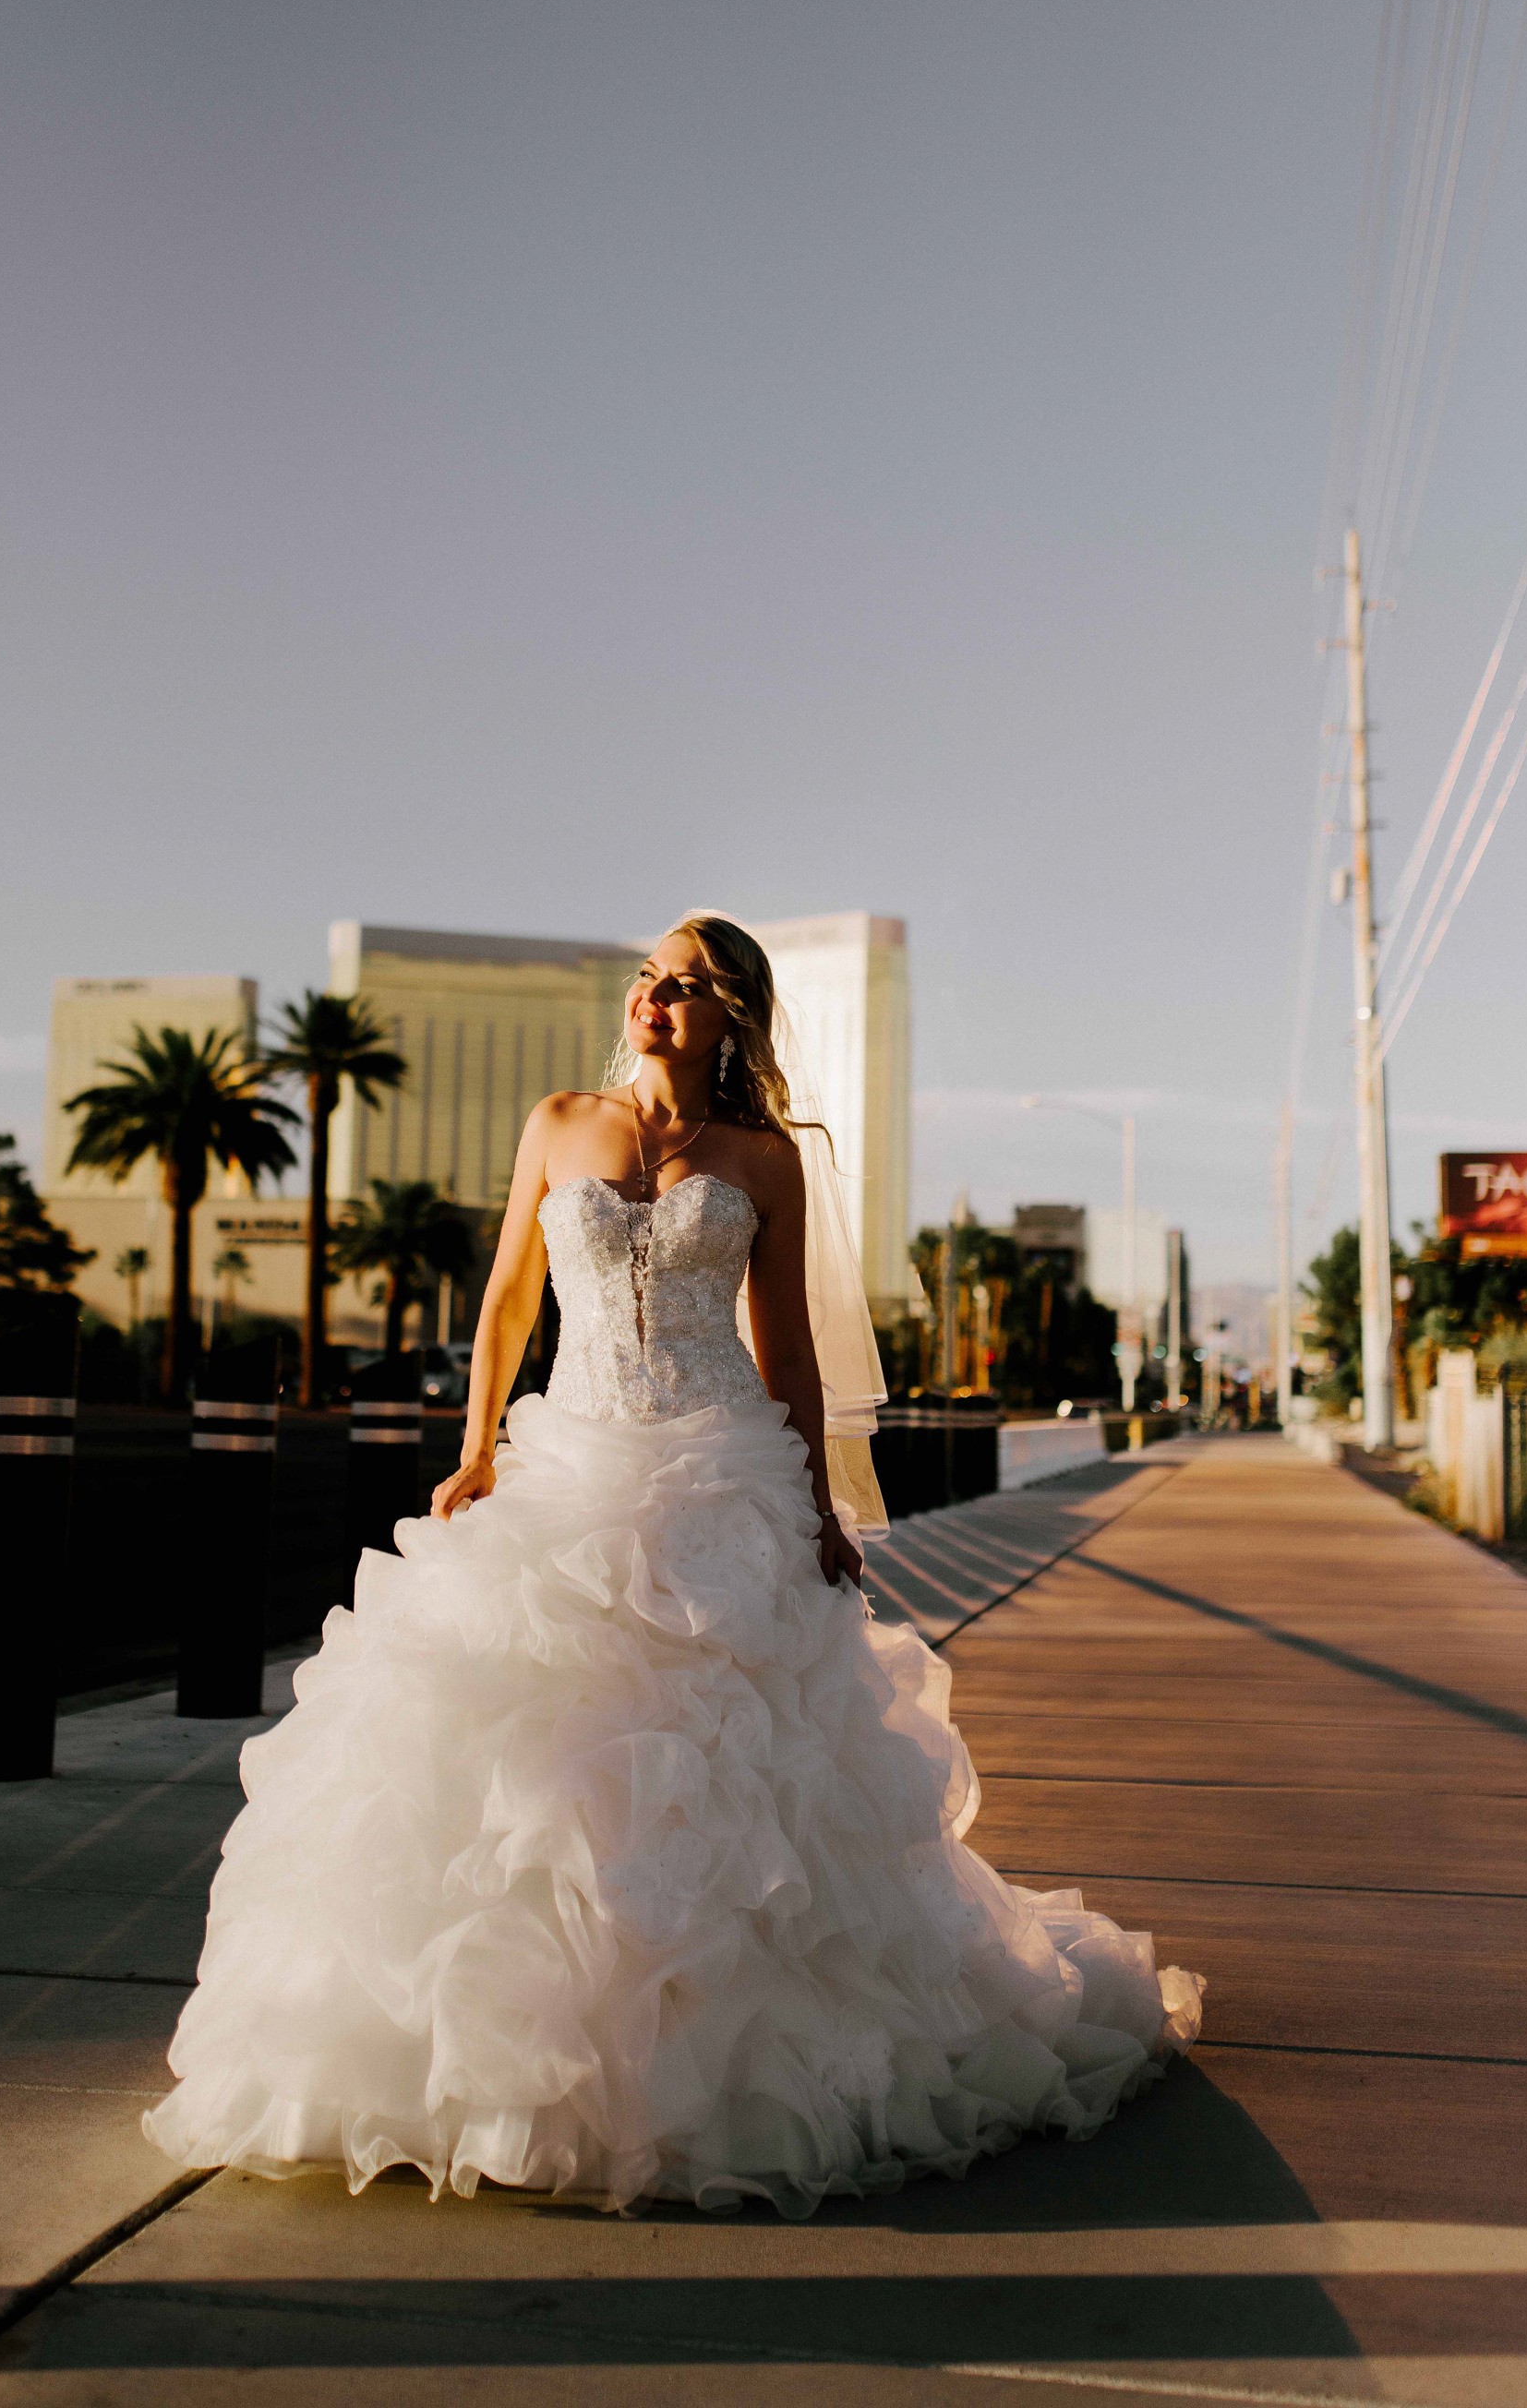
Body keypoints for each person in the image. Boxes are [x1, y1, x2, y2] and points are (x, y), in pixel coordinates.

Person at [143, 913, 1201, 2213]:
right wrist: (476, 1453)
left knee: (724, 1771)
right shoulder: (558, 1121)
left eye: (689, 986)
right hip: (570, 1460)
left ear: (732, 1018)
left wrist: (815, 1502)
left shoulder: (762, 1159)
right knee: (529, 1757)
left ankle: (696, 2065)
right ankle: (496, 2056)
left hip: (717, 1469)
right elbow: (508, 1305)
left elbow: (792, 1353)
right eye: (650, 976)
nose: (658, 997)